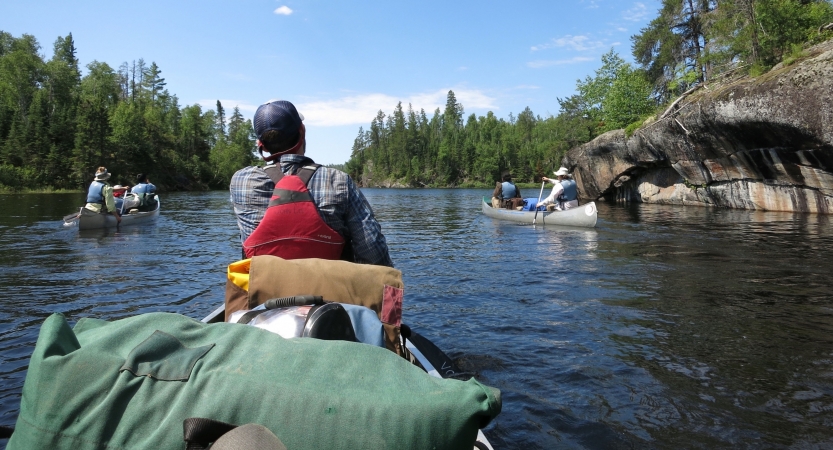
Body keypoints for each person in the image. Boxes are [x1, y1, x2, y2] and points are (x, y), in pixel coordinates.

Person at [230, 100, 393, 267]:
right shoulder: (339, 181)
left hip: (264, 291)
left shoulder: (241, 181)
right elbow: (372, 248)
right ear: (302, 130)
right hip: (329, 290)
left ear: (261, 145)